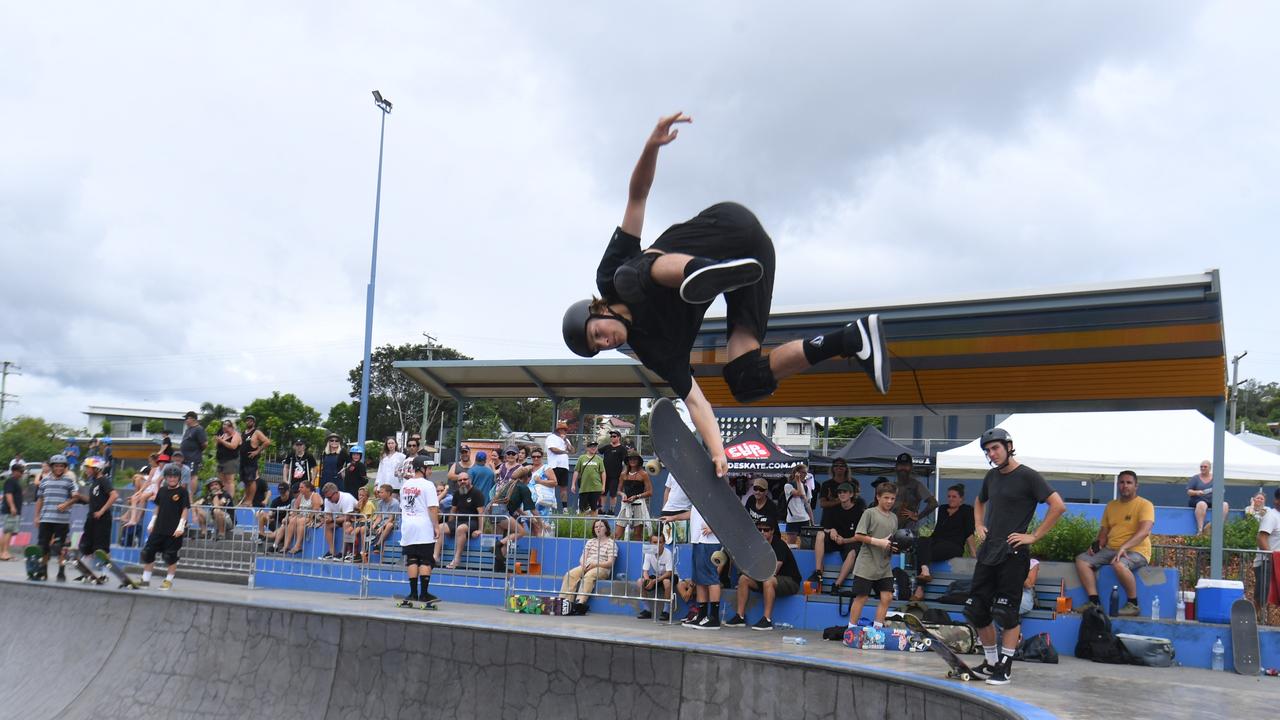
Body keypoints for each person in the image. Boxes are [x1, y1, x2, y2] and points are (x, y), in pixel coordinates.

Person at [560, 113, 891, 483]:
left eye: (598, 332)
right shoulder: (655, 351)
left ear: (598, 310)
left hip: (727, 227)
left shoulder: (609, 277)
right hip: (756, 259)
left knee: (628, 278)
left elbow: (637, 197)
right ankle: (850, 338)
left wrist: (651, 146)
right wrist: (717, 452)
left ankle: (698, 271)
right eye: (601, 346)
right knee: (745, 379)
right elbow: (696, 400)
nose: (607, 341)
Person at [968, 428, 1066, 686]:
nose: (992, 454)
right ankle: (990, 662)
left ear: (1009, 446)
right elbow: (979, 501)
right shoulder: (991, 476)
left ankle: (1006, 666)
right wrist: (979, 524)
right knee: (976, 609)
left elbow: (1058, 506)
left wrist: (1034, 536)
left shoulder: (1028, 476)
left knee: (1006, 611)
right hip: (989, 551)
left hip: (1013, 553)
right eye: (988, 450)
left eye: (995, 448)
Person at [1075, 470, 1155, 616]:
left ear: (1136, 486)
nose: (1125, 486)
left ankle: (1133, 604)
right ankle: (1094, 602)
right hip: (1111, 549)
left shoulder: (1145, 505)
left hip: (1137, 551)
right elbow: (1104, 532)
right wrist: (1097, 544)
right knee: (1082, 560)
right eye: (1122, 482)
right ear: (1118, 485)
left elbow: (1144, 531)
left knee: (1119, 564)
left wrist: (1124, 547)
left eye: (1129, 482)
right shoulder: (1111, 506)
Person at [725, 519, 802, 631]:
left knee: (768, 580)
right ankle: (740, 616)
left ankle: (767, 619)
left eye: (766, 530)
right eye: (759, 529)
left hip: (790, 581)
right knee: (743, 579)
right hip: (764, 578)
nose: (762, 532)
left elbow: (774, 570)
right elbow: (749, 567)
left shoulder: (779, 544)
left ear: (772, 531)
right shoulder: (756, 546)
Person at [834, 481, 899, 606]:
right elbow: (858, 535)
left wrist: (895, 546)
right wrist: (879, 542)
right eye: (886, 497)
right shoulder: (869, 512)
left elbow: (891, 539)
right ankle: (852, 625)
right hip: (866, 565)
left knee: (887, 597)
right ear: (878, 497)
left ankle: (878, 625)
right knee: (861, 598)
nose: (890, 501)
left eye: (893, 498)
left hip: (884, 565)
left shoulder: (894, 518)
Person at [914, 484, 978, 593]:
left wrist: (974, 555)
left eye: (954, 497)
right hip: (937, 542)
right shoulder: (943, 509)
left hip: (954, 545)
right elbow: (937, 531)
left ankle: (920, 589)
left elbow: (969, 533)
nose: (950, 499)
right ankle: (925, 571)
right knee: (922, 541)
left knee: (923, 552)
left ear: (961, 498)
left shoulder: (967, 510)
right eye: (949, 496)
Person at [398, 455, 441, 606]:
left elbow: (403, 506)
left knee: (412, 559)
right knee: (425, 560)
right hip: (423, 526)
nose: (430, 471)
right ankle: (423, 594)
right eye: (428, 468)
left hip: (408, 526)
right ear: (421, 469)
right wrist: (436, 526)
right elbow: (433, 508)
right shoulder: (428, 485)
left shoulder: (405, 485)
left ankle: (412, 593)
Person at [141, 464, 191, 590]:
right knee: (147, 553)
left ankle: (168, 580)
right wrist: (152, 522)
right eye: (169, 477)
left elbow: (185, 509)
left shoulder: (183, 492)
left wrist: (181, 526)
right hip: (158, 528)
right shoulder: (162, 491)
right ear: (165, 478)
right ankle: (145, 579)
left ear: (178, 478)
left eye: (174, 477)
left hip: (173, 531)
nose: (171, 479)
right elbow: (157, 507)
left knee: (170, 556)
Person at [808, 483, 865, 585]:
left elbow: (861, 537)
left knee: (853, 552)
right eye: (839, 492)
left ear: (851, 494)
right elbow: (824, 528)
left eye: (844, 492)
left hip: (850, 541)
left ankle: (837, 584)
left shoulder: (859, 511)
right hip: (834, 540)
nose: (842, 494)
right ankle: (818, 572)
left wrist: (844, 540)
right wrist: (831, 530)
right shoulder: (833, 509)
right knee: (820, 534)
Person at [559, 518, 618, 613]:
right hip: (587, 565)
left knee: (589, 576)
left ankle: (580, 603)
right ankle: (565, 602)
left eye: (601, 526)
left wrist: (595, 564)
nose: (598, 528)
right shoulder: (590, 542)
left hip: (602, 567)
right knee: (570, 574)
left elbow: (610, 562)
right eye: (596, 527)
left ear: (606, 528)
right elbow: (583, 557)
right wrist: (583, 564)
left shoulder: (611, 543)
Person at [34, 454, 77, 581]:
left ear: (65, 467)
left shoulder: (69, 481)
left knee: (60, 547)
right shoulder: (44, 481)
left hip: (61, 520)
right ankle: (43, 570)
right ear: (52, 467)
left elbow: (76, 496)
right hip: (46, 518)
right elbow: (40, 499)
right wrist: (36, 516)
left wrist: (66, 504)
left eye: (61, 466)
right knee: (43, 546)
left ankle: (61, 571)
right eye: (56, 466)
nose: (59, 468)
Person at [71, 457, 117, 574]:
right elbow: (92, 500)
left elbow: (114, 495)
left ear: (96, 468)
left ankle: (104, 573)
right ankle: (86, 572)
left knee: (102, 548)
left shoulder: (103, 480)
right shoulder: (94, 482)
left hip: (102, 519)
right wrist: (80, 497)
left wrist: (102, 511)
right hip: (91, 518)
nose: (86, 470)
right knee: (87, 546)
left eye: (88, 468)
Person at [438, 472, 485, 569]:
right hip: (459, 521)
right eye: (460, 480)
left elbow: (481, 513)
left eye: (465, 479)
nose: (462, 481)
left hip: (472, 522)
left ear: (469, 480)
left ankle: (456, 559)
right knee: (440, 527)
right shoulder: (457, 493)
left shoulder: (477, 493)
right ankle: (435, 556)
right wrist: (449, 524)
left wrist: (480, 530)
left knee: (460, 528)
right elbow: (453, 510)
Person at [891, 453, 937, 530]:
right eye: (901, 465)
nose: (903, 468)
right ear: (896, 467)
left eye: (906, 466)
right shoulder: (892, 486)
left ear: (911, 468)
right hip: (892, 525)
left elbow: (933, 503)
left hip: (908, 527)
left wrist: (918, 517)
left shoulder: (916, 485)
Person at [635, 532, 675, 621]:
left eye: (660, 542)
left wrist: (654, 581)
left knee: (666, 581)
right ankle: (647, 610)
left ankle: (666, 611)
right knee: (639, 581)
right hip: (656, 576)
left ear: (664, 543)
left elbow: (669, 572)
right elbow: (645, 571)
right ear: (650, 543)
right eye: (654, 542)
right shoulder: (649, 552)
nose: (657, 545)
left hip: (668, 576)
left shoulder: (668, 552)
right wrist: (648, 581)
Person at [615, 450, 653, 541]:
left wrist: (636, 496)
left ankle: (637, 554)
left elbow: (650, 492)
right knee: (617, 534)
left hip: (638, 505)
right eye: (630, 459)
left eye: (635, 459)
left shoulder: (643, 474)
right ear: (628, 461)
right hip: (626, 505)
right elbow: (618, 490)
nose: (632, 461)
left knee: (637, 535)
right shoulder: (623, 474)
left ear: (638, 461)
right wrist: (623, 494)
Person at [1187, 459, 1229, 535]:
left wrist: (1216, 491)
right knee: (1202, 504)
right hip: (1198, 500)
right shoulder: (1195, 478)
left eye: (1205, 467)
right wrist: (1197, 492)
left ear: (1209, 468)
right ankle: (1200, 529)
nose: (1203, 468)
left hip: (1213, 501)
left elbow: (1222, 490)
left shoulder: (1216, 478)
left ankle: (1219, 528)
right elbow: (1189, 492)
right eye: (1201, 467)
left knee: (1225, 505)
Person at [319, 481, 359, 561]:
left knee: (346, 524)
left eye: (330, 497)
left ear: (336, 493)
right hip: (339, 519)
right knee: (327, 526)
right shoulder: (327, 499)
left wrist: (332, 519)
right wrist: (325, 519)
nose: (329, 500)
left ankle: (342, 552)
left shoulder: (347, 498)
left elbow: (347, 517)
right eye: (327, 498)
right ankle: (331, 552)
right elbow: (328, 514)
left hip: (354, 520)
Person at [281, 480, 322, 555]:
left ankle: (298, 545)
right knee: (293, 520)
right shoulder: (301, 495)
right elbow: (295, 507)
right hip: (302, 516)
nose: (299, 489)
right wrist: (294, 515)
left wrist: (308, 518)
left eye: (301, 487)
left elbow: (316, 509)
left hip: (313, 517)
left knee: (301, 521)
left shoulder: (315, 495)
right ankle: (286, 545)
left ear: (308, 488)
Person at [1254, 488, 1280, 607]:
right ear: (1277, 501)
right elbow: (1261, 538)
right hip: (1267, 563)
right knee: (1263, 596)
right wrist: (1271, 557)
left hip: (1276, 562)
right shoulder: (1271, 516)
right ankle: (1257, 621)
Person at [238, 415, 272, 507]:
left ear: (253, 422)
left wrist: (257, 451)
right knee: (245, 481)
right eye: (247, 420)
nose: (248, 422)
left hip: (251, 459)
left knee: (251, 480)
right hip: (243, 460)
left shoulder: (256, 432)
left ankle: (250, 500)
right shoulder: (243, 433)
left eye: (250, 421)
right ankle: (246, 499)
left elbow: (267, 442)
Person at [600, 430, 630, 515]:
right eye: (611, 436)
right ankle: (601, 509)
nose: (612, 438)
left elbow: (626, 462)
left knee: (613, 494)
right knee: (603, 493)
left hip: (615, 476)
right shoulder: (607, 447)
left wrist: (624, 473)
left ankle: (611, 510)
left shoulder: (622, 449)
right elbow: (597, 450)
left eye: (614, 436)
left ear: (619, 437)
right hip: (605, 475)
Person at [545, 421, 574, 511]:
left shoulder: (566, 440)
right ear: (558, 430)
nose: (563, 431)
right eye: (562, 429)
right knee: (551, 486)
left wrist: (565, 441)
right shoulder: (551, 437)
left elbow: (572, 450)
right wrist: (565, 452)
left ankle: (564, 508)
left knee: (564, 488)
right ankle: (550, 507)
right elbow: (553, 449)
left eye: (565, 430)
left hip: (564, 466)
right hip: (554, 466)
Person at [572, 440, 606, 515]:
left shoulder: (599, 459)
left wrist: (603, 486)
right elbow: (576, 471)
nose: (593, 448)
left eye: (595, 446)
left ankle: (594, 525)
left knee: (594, 507)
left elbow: (603, 472)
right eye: (591, 446)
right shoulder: (581, 458)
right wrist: (573, 484)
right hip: (584, 488)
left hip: (596, 487)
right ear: (587, 448)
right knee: (582, 509)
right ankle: (582, 525)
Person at [782, 464, 813, 546]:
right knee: (791, 545)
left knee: (806, 544)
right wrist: (798, 481)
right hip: (793, 519)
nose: (805, 475)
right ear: (797, 473)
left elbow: (808, 505)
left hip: (804, 519)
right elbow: (799, 493)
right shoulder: (788, 485)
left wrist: (812, 521)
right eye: (803, 472)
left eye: (806, 473)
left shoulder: (806, 487)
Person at [213, 419, 242, 503]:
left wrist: (222, 441)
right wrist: (217, 441)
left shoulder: (236, 435)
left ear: (232, 427)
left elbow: (233, 446)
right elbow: (217, 445)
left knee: (229, 481)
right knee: (221, 481)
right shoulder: (223, 435)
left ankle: (230, 499)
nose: (224, 426)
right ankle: (222, 498)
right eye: (224, 425)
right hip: (221, 460)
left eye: (227, 425)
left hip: (230, 460)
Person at [257, 482, 292, 551]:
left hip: (286, 524)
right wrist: (268, 517)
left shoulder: (292, 500)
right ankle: (261, 534)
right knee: (261, 514)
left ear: (288, 491)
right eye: (280, 492)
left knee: (275, 534)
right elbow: (270, 513)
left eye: (284, 493)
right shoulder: (275, 501)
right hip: (276, 522)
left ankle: (272, 536)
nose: (282, 494)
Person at [369, 484, 400, 560]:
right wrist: (374, 525)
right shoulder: (380, 502)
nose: (379, 494)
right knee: (370, 527)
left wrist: (382, 527)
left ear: (388, 493)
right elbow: (379, 517)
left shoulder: (395, 503)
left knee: (389, 525)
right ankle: (365, 550)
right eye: (379, 492)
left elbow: (391, 518)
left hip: (393, 522)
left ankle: (378, 544)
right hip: (382, 522)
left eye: (382, 492)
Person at [0, 462, 24, 561]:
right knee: (8, 531)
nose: (22, 474)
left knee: (10, 532)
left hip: (13, 510)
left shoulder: (15, 482)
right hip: (11, 510)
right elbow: (8, 494)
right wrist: (12, 507)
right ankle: (3, 552)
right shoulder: (11, 481)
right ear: (14, 471)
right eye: (21, 472)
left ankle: (5, 552)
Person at [180, 411, 208, 477]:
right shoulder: (188, 429)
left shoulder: (199, 429)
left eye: (187, 418)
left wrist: (196, 451)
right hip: (185, 458)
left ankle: (192, 488)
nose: (185, 420)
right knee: (184, 475)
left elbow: (205, 444)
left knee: (192, 476)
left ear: (193, 419)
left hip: (193, 458)